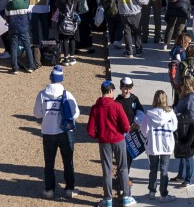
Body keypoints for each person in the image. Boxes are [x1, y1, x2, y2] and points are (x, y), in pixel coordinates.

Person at [34, 65, 80, 198]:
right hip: (65, 132)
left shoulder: (42, 94)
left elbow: (37, 114)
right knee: (68, 162)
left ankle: (49, 189)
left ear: (50, 77)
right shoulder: (67, 94)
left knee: (49, 163)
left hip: (48, 132)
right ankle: (69, 188)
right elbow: (75, 114)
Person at [89, 79, 134, 207]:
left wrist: (98, 135)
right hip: (118, 139)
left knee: (107, 170)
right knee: (123, 168)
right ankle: (126, 196)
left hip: (104, 141)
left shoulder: (95, 108)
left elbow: (90, 130)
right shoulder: (117, 106)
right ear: (110, 91)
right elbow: (126, 127)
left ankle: (108, 199)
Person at [138, 89, 177, 202]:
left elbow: (144, 131)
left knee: (153, 169)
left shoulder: (149, 115)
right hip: (166, 145)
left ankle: (151, 191)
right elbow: (174, 127)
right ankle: (163, 195)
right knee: (164, 171)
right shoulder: (171, 114)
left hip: (153, 145)